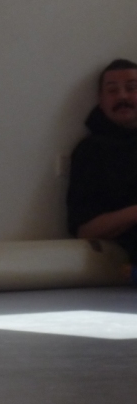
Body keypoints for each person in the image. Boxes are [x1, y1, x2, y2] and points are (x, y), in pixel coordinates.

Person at [67, 59, 137, 264]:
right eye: (113, 91)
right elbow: (84, 230)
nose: (122, 96)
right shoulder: (91, 152)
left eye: (132, 88)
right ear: (101, 100)